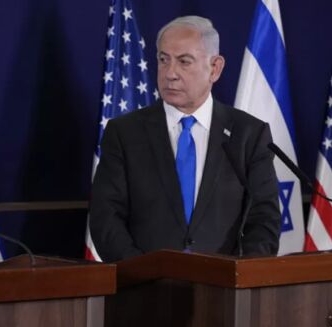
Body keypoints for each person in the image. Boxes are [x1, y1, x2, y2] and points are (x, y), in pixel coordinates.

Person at [89, 15, 281, 262]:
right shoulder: (124, 133)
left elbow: (264, 220)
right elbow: (106, 218)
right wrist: (140, 272)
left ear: (215, 68)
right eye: (163, 60)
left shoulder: (248, 135)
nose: (170, 73)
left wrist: (240, 275)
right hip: (143, 281)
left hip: (224, 282)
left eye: (184, 62)